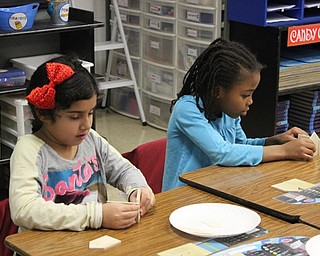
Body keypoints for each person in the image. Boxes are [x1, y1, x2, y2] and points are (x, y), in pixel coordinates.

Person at [9, 55, 155, 231]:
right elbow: (24, 209)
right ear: (43, 114)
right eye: (75, 117)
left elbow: (124, 170)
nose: (87, 124)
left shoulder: (91, 140)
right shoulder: (29, 150)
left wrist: (139, 189)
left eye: (91, 112)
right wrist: (97, 216)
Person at [162, 37, 316, 191]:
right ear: (218, 91)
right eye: (245, 95)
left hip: (216, 188)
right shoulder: (187, 109)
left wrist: (274, 141)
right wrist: (284, 151)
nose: (250, 101)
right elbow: (223, 153)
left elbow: (240, 147)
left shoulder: (227, 111)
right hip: (182, 196)